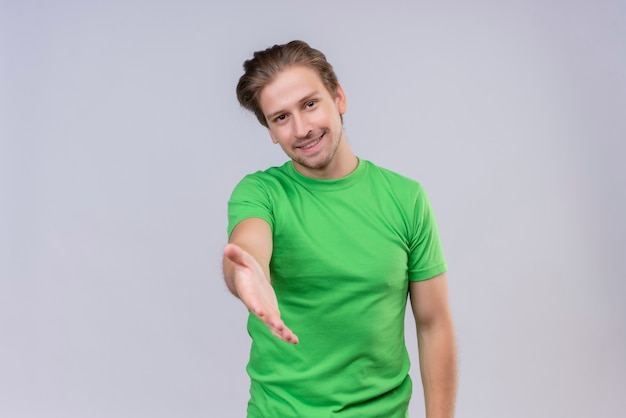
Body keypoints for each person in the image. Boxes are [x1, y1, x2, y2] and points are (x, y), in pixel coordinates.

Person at [223, 40, 457, 418]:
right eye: (280, 118)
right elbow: (249, 246)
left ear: (339, 98)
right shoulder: (260, 194)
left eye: (310, 104)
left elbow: (433, 324)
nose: (302, 129)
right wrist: (247, 275)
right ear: (270, 130)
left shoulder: (405, 198)